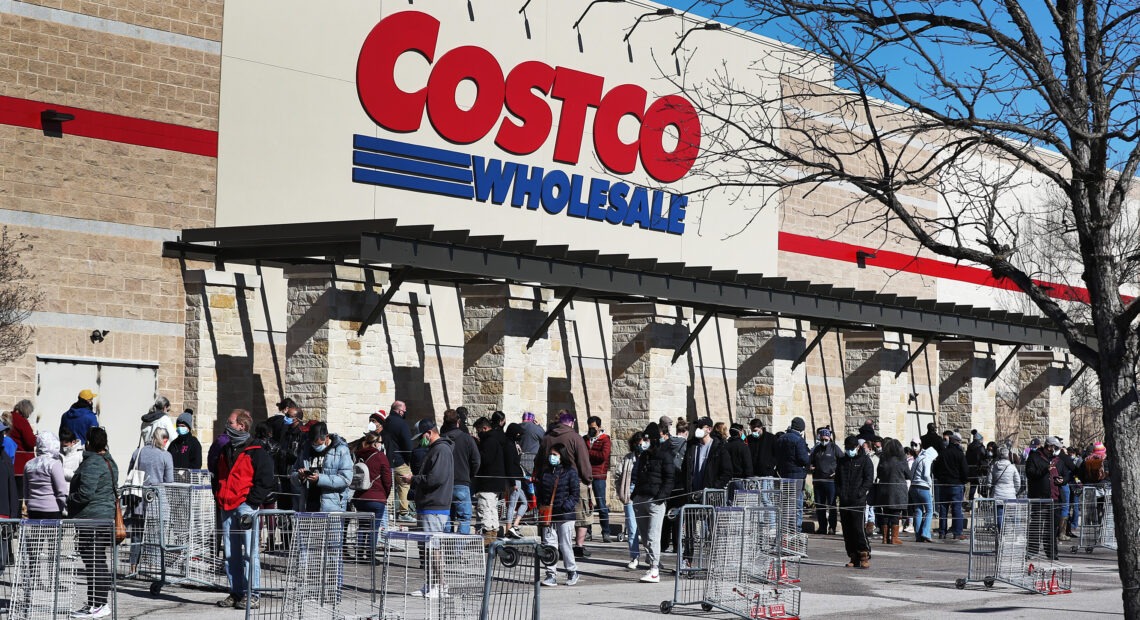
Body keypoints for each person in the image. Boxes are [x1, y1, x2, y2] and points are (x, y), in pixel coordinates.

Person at [215, 409, 274, 610]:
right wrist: (219, 494)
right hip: (227, 505)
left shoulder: (257, 451)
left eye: (230, 422)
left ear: (241, 426)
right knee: (231, 553)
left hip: (245, 506)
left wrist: (251, 502)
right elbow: (218, 474)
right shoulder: (226, 449)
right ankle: (236, 591)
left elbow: (265, 479)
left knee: (250, 553)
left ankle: (253, 593)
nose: (227, 425)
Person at [67, 427, 117, 619]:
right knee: (97, 562)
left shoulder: (92, 463)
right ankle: (96, 603)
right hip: (103, 518)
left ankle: (98, 604)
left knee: (94, 563)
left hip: (92, 519)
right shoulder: (108, 461)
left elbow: (85, 493)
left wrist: (70, 498)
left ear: (89, 442)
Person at [534, 411, 592, 559]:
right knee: (580, 517)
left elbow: (538, 460)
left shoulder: (547, 437)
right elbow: (583, 462)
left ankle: (551, 550)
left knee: (550, 519)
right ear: (571, 423)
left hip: (548, 482)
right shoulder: (575, 438)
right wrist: (588, 479)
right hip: (574, 482)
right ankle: (578, 546)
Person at [631, 423, 674, 584]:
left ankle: (655, 569)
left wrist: (661, 497)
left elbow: (670, 479)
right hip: (641, 498)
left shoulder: (665, 455)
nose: (644, 441)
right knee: (644, 536)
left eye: (647, 438)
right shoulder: (644, 456)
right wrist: (634, 496)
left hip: (655, 501)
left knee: (653, 535)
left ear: (654, 439)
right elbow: (638, 474)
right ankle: (651, 563)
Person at [126, 428, 174, 571]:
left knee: (137, 532)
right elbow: (169, 480)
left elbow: (130, 472)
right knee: (156, 534)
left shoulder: (138, 452)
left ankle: (133, 565)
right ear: (163, 439)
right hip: (157, 498)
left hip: (138, 497)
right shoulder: (165, 456)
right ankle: (154, 566)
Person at [538, 444, 581, 587]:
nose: (552, 457)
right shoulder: (546, 472)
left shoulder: (570, 472)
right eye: (551, 454)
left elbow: (575, 494)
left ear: (562, 456)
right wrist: (542, 508)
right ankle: (550, 574)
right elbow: (541, 492)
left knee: (565, 544)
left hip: (565, 514)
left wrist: (565, 507)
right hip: (549, 515)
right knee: (550, 545)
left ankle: (572, 571)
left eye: (555, 454)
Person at [403, 418, 454, 535]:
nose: (420, 441)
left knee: (432, 546)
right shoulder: (435, 449)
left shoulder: (441, 450)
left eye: (421, 437)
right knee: (426, 547)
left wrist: (413, 479)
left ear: (429, 433)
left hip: (434, 507)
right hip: (428, 506)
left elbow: (435, 479)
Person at [290, 422, 353, 513]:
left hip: (332, 507)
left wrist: (320, 479)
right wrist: (299, 476)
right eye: (313, 444)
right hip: (308, 505)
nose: (315, 446)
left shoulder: (341, 450)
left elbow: (346, 479)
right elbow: (293, 474)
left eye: (318, 444)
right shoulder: (306, 449)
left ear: (327, 437)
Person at [438, 409, 480, 535]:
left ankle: (446, 548)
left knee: (446, 518)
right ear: (458, 422)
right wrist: (470, 475)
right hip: (462, 481)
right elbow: (476, 461)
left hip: (444, 483)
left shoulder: (441, 439)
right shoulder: (467, 439)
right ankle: (457, 551)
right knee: (464, 518)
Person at [352, 431, 392, 556]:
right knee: (373, 529)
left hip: (360, 497)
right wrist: (385, 495)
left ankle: (359, 554)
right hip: (376, 497)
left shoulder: (358, 455)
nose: (381, 445)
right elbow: (387, 479)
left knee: (362, 526)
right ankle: (370, 555)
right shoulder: (381, 456)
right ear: (375, 443)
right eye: (380, 442)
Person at [836, 435, 874, 569]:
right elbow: (837, 479)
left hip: (858, 501)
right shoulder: (842, 461)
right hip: (845, 501)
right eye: (847, 448)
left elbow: (869, 479)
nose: (849, 450)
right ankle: (853, 556)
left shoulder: (865, 460)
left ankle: (864, 555)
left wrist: (861, 492)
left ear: (857, 447)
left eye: (852, 448)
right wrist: (839, 492)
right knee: (847, 531)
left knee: (858, 529)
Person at [1025, 436, 1064, 560]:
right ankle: (1032, 550)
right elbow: (1030, 474)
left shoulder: (1057, 459)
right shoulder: (1034, 457)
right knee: (1036, 525)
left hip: (1054, 497)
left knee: (1052, 527)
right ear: (1049, 447)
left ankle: (1052, 552)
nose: (1056, 450)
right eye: (1055, 448)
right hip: (1039, 496)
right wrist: (1044, 470)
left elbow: (1067, 472)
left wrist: (1062, 480)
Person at [474, 414, 510, 542]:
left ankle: (488, 539)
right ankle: (493, 535)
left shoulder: (489, 441)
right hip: (495, 481)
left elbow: (485, 459)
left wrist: (477, 447)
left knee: (485, 508)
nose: (477, 434)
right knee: (492, 509)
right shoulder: (496, 439)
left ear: (484, 428)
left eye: (478, 431)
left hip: (488, 482)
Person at [681, 417, 730, 504]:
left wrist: (714, 488)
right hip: (692, 495)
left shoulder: (719, 448)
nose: (697, 429)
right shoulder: (691, 446)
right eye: (696, 427)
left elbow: (727, 472)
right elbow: (685, 468)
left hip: (710, 496)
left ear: (709, 429)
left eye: (700, 427)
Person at [775, 417, 811, 530]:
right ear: (801, 428)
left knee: (785, 504)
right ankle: (795, 529)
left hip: (783, 474)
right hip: (796, 476)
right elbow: (803, 459)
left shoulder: (781, 438)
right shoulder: (798, 440)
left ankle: (784, 528)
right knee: (796, 504)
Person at [383, 401, 416, 523]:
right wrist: (408, 459)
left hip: (386, 459)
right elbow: (407, 444)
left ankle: (389, 511)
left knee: (389, 485)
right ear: (400, 411)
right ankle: (403, 512)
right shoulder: (402, 424)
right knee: (404, 485)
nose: (404, 413)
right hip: (400, 460)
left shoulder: (386, 422)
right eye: (404, 411)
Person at [24, 431, 67, 518]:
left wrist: (28, 504)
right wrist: (64, 507)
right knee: (52, 532)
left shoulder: (28, 464)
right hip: (52, 508)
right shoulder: (54, 464)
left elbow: (26, 490)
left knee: (36, 532)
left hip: (33, 509)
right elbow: (62, 490)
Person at [934, 432, 969, 540]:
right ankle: (957, 532)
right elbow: (965, 470)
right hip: (956, 484)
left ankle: (942, 532)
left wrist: (940, 478)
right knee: (956, 509)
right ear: (957, 442)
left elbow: (935, 468)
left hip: (944, 484)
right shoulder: (959, 454)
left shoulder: (943, 453)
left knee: (943, 509)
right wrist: (963, 481)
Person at [876, 438, 909, 545]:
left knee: (885, 513)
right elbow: (909, 474)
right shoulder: (902, 460)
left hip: (884, 490)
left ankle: (885, 538)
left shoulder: (883, 459)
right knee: (895, 513)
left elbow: (879, 474)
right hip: (898, 491)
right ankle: (894, 538)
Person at [584, 416, 612, 543]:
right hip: (586, 474)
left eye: (593, 428)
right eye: (590, 428)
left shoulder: (605, 439)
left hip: (599, 475)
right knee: (587, 505)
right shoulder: (585, 439)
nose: (591, 430)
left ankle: (605, 532)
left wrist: (588, 452)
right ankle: (587, 532)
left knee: (601, 505)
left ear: (599, 427)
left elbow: (603, 456)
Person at [810, 428, 842, 535]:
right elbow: (810, 462)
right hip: (818, 481)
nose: (824, 441)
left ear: (829, 438)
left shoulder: (834, 448)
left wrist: (836, 472)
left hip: (831, 482)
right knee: (820, 506)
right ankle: (822, 527)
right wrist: (810, 467)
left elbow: (842, 462)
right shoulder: (816, 449)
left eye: (826, 438)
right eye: (822, 438)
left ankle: (832, 527)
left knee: (832, 505)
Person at [616, 433, 641, 570]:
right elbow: (618, 475)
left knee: (648, 528)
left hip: (644, 493)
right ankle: (634, 556)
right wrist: (621, 491)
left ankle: (652, 557)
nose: (640, 446)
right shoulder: (628, 459)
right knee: (632, 526)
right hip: (630, 492)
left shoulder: (649, 457)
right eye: (637, 443)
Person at [503, 422, 532, 539]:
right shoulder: (509, 446)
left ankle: (514, 525)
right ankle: (509, 528)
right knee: (512, 504)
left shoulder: (514, 444)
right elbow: (509, 465)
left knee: (524, 503)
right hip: (514, 478)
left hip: (517, 477)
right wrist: (512, 482)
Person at [909, 443, 937, 542]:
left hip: (914, 487)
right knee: (929, 510)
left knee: (918, 510)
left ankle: (918, 535)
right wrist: (929, 484)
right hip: (923, 487)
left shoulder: (918, 458)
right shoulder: (927, 459)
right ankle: (925, 532)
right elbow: (926, 474)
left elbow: (911, 473)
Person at [989, 445, 1021, 525]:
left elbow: (989, 481)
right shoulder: (1012, 467)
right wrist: (1014, 491)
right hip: (1010, 494)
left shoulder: (993, 466)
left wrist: (990, 488)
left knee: (999, 515)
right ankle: (1015, 533)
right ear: (1008, 456)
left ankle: (1000, 533)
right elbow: (1018, 482)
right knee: (1013, 515)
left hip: (997, 493)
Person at [8, 399, 35, 483]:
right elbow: (30, 442)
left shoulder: (8, 417)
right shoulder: (21, 421)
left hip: (7, 459)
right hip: (20, 462)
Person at [724, 423, 754, 495]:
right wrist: (749, 477)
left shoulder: (725, 446)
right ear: (740, 433)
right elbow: (747, 463)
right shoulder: (743, 446)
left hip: (727, 479)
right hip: (740, 479)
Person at [965, 430, 988, 503]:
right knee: (981, 485)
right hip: (979, 469)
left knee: (973, 485)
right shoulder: (980, 447)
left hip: (971, 468)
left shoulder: (969, 447)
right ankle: (982, 502)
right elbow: (985, 455)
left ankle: (971, 501)